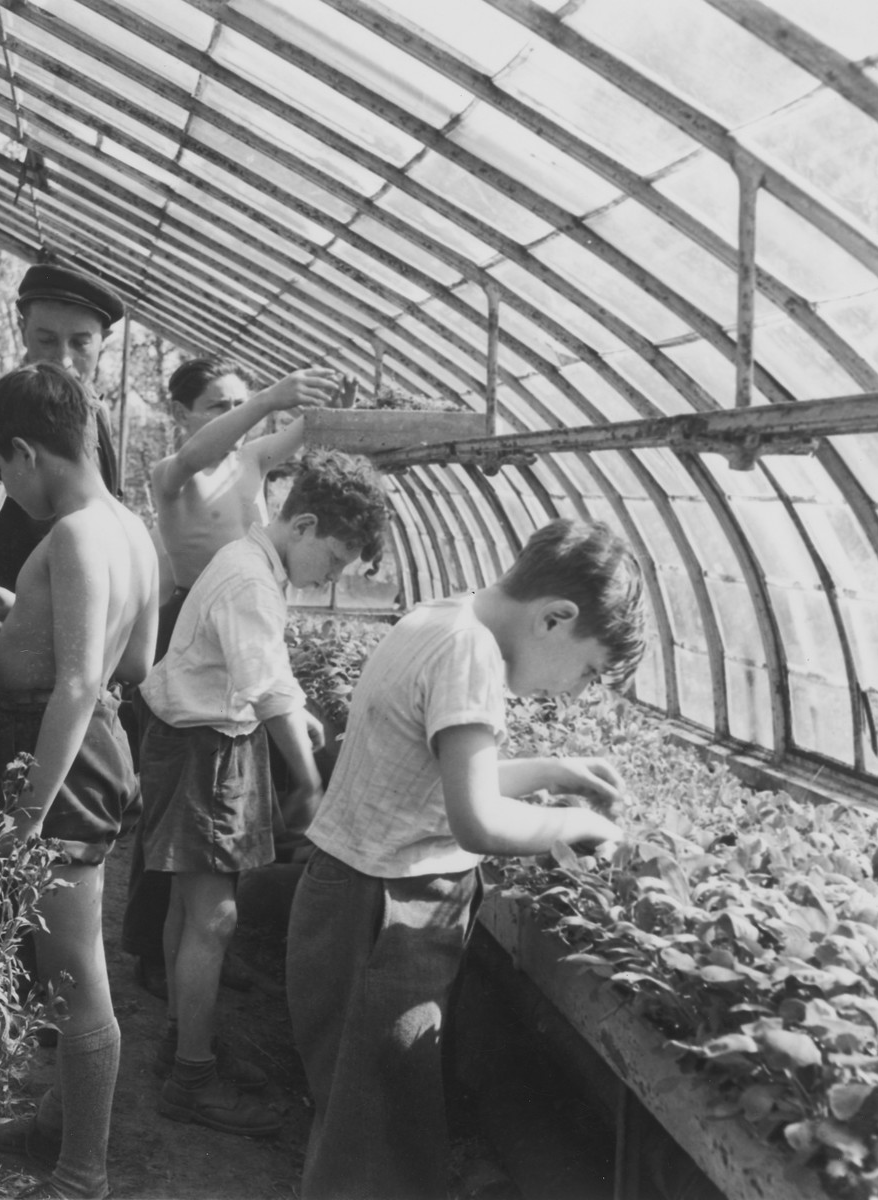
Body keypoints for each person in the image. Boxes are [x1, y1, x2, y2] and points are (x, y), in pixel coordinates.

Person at [286, 517, 648, 1200]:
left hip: (350, 899)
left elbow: (442, 771)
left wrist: (553, 767)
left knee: (356, 1124)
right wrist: (571, 823)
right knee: (372, 1143)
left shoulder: (439, 618)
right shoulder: (472, 655)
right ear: (555, 618)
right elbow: (476, 818)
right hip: (384, 913)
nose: (573, 690)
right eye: (587, 668)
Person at [137, 449, 389, 1137]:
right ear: (302, 524)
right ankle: (192, 1077)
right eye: (334, 560)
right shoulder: (250, 581)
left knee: (192, 909)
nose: (331, 576)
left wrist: (299, 709)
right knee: (213, 918)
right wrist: (310, 786)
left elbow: (261, 668)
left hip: (201, 740)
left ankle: (181, 1040)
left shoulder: (251, 567)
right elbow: (261, 684)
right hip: (203, 753)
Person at [0, 362, 158, 1199]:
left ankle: (84, 1172)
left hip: (61, 766)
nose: (8, 491)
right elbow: (136, 660)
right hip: (85, 750)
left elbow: (80, 682)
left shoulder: (78, 531)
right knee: (57, 962)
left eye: (2, 474)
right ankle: (57, 1121)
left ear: (24, 453)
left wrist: (27, 814)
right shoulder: (128, 528)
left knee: (77, 976)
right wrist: (20, 613)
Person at [122, 356, 342, 997]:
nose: (235, 416)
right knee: (174, 817)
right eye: (219, 405)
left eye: (240, 404)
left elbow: (298, 432)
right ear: (181, 414)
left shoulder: (251, 463)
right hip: (187, 633)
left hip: (245, 629)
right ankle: (153, 952)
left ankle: (200, 945)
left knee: (217, 819)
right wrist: (270, 396)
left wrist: (323, 405)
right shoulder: (174, 475)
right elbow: (200, 453)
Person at [0, 262, 126, 598]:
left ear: (103, 340)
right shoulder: (5, 408)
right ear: (22, 331)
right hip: (10, 617)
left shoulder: (97, 412)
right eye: (46, 340)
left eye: (80, 344)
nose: (62, 359)